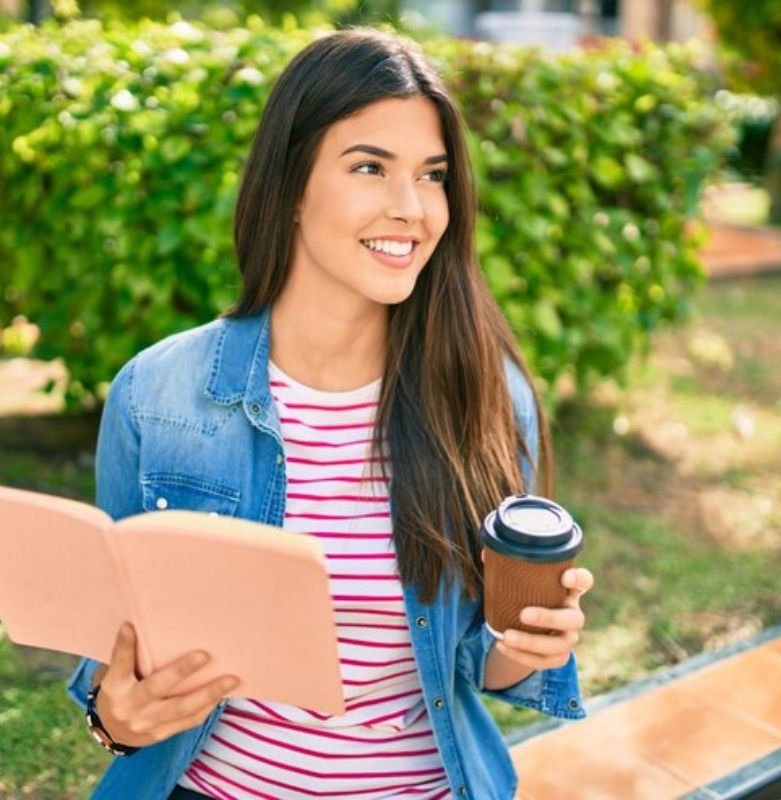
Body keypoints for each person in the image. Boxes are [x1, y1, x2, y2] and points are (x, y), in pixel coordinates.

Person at [66, 27, 595, 800]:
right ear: (291, 187)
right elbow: (113, 649)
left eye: (433, 175)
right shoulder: (157, 393)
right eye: (369, 167)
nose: (411, 209)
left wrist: (530, 643)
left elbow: (477, 664)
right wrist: (116, 715)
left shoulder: (483, 395)